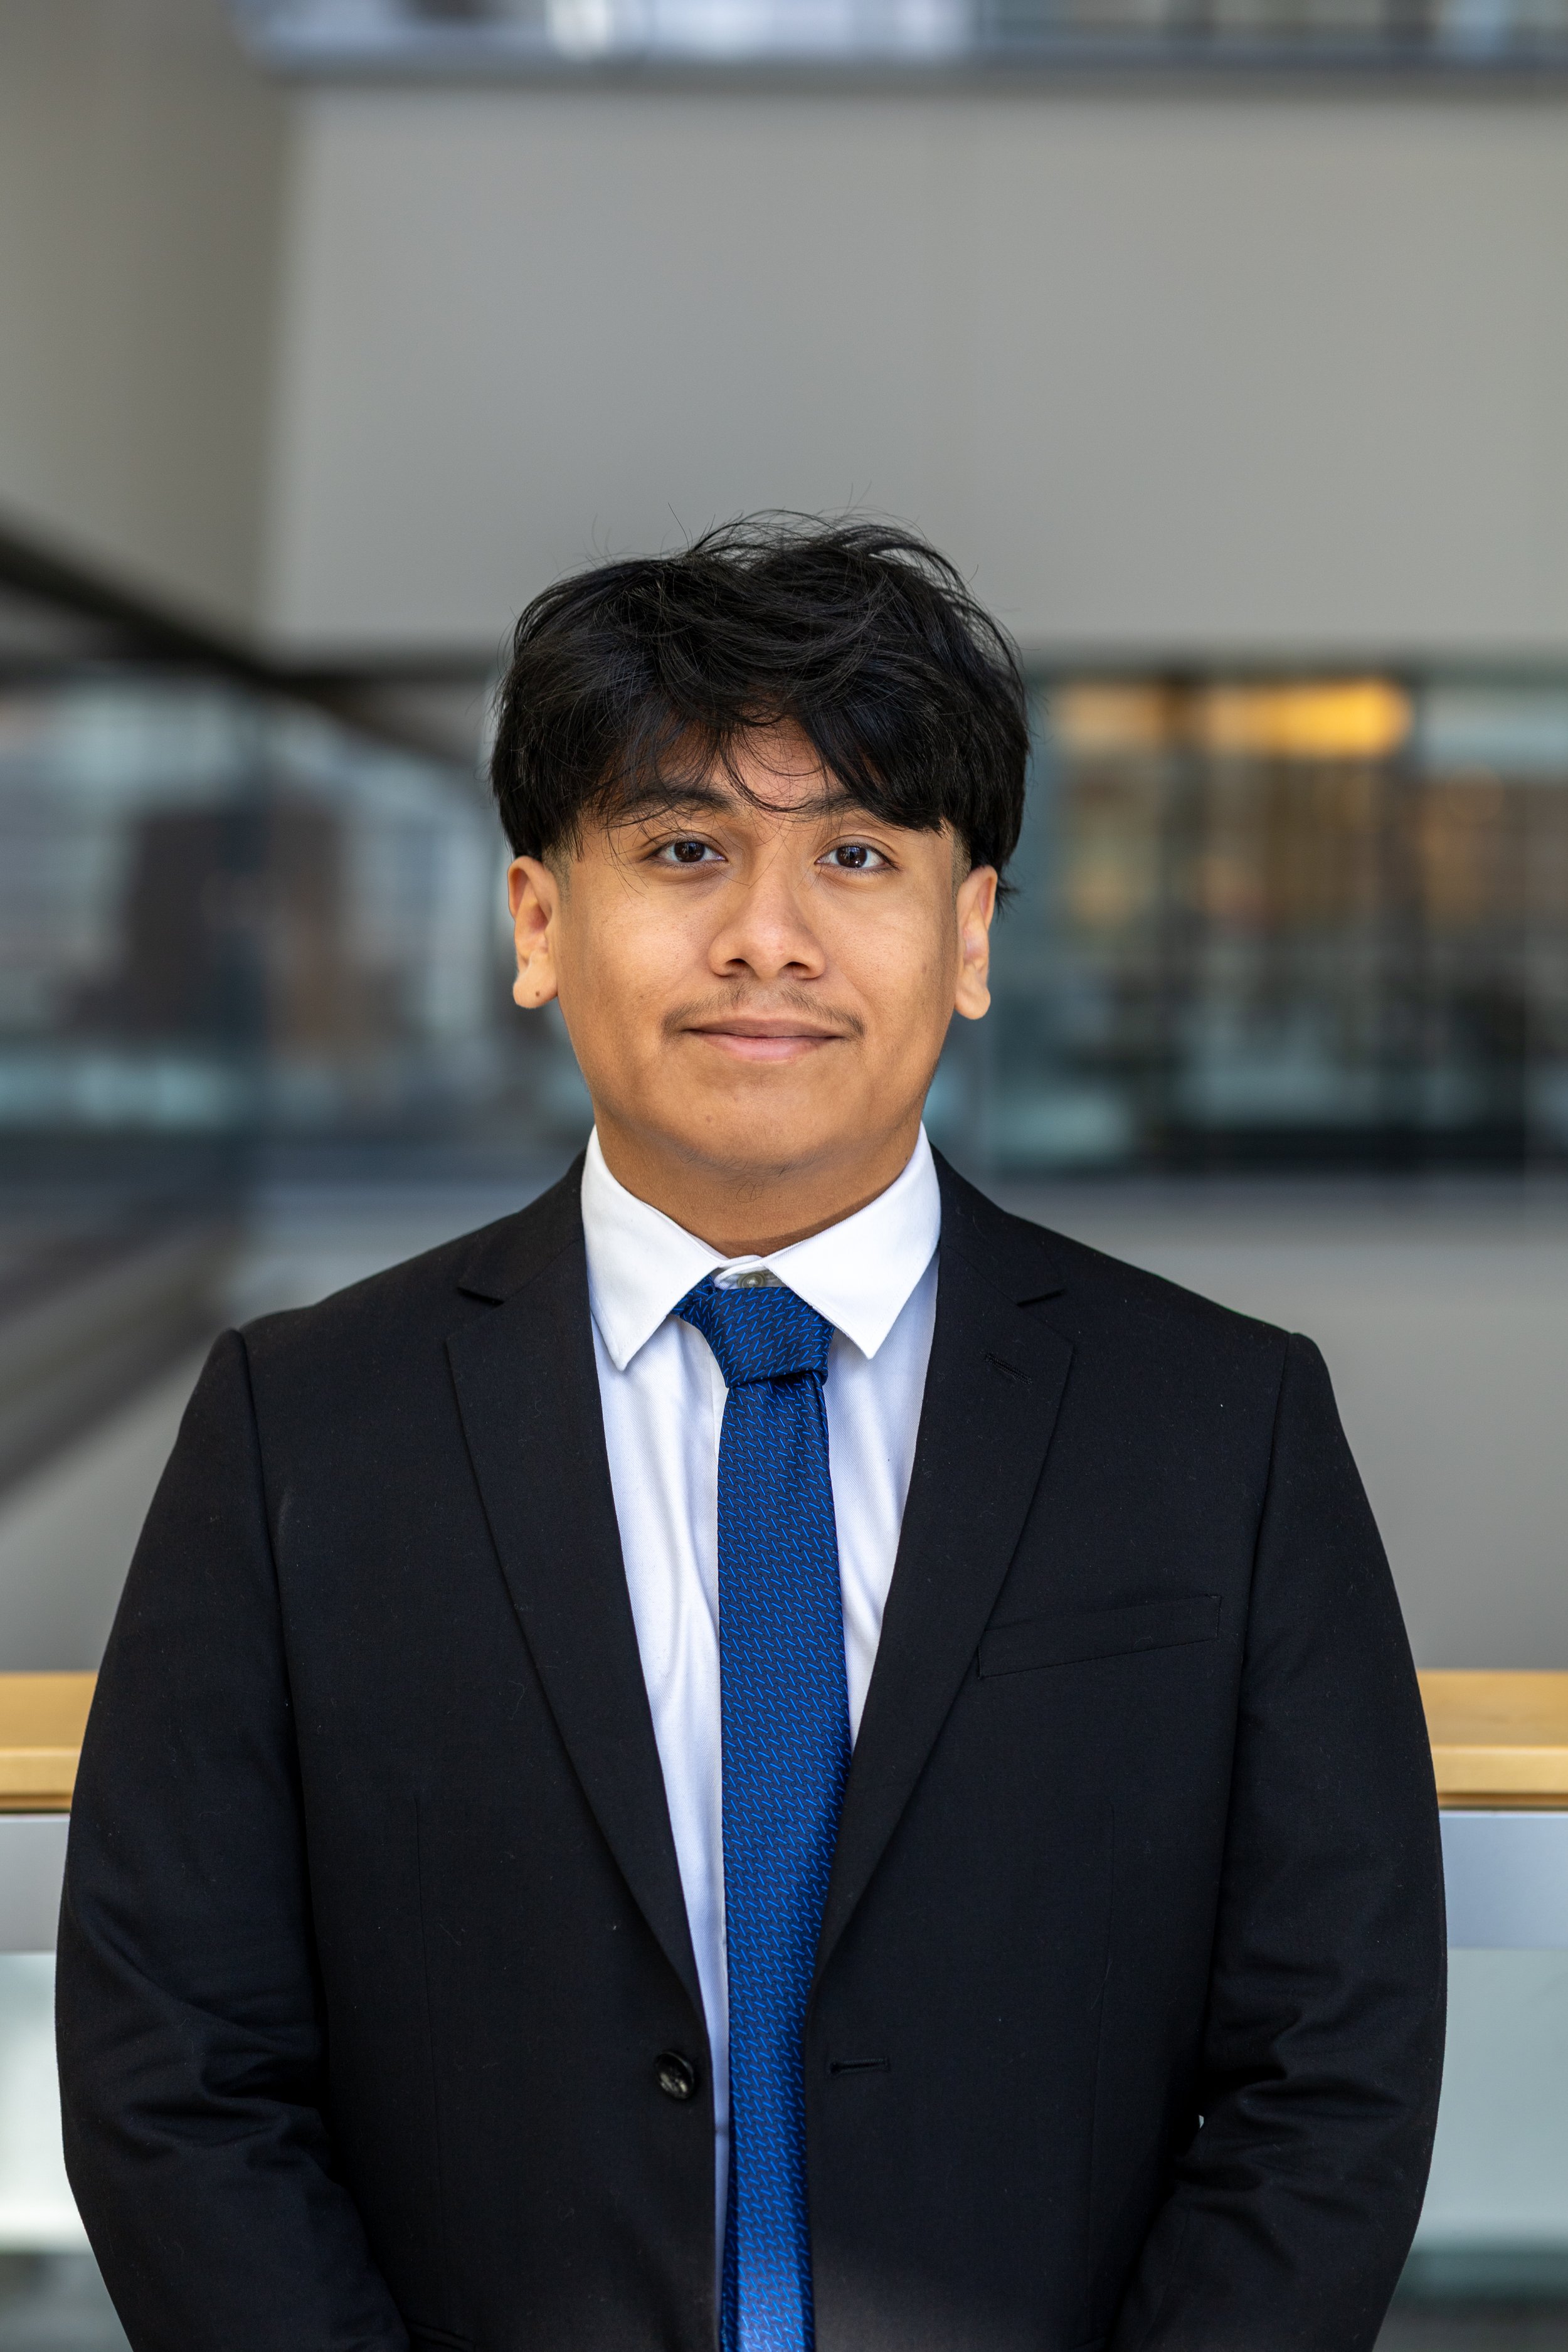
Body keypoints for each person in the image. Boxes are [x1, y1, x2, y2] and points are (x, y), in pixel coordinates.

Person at [56, 517, 1445, 2352]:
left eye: (855, 854)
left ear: (968, 937)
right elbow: (177, 2070)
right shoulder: (299, 1426)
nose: (764, 939)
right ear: (538, 920)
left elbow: (1328, 2069)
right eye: (684, 849)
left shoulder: (1223, 1424)